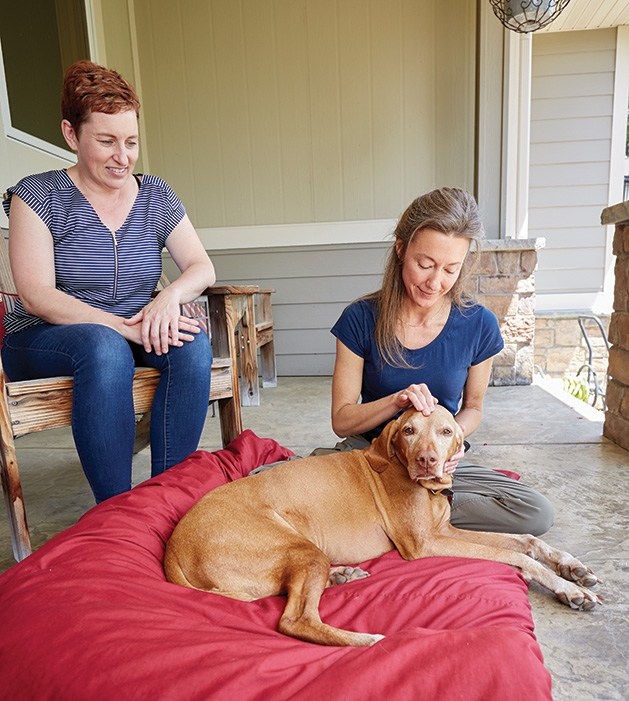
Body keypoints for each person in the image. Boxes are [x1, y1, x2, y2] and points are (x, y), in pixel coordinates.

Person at [1, 60, 216, 503]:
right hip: (47, 339)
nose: (123, 157)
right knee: (105, 347)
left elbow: (201, 267)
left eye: (131, 142)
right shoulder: (36, 196)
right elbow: (37, 296)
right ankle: (117, 512)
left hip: (135, 326)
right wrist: (122, 327)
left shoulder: (155, 194)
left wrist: (168, 299)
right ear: (70, 134)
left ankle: (168, 501)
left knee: (192, 345)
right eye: (107, 141)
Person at [328, 187, 554, 535]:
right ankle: (406, 514)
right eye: (425, 264)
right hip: (372, 455)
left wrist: (450, 441)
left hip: (438, 462)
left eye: (451, 269)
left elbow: (473, 407)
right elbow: (342, 421)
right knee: (271, 486)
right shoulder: (360, 318)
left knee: (534, 512)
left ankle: (400, 514)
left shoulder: (478, 324)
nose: (436, 282)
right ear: (401, 249)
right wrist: (396, 401)